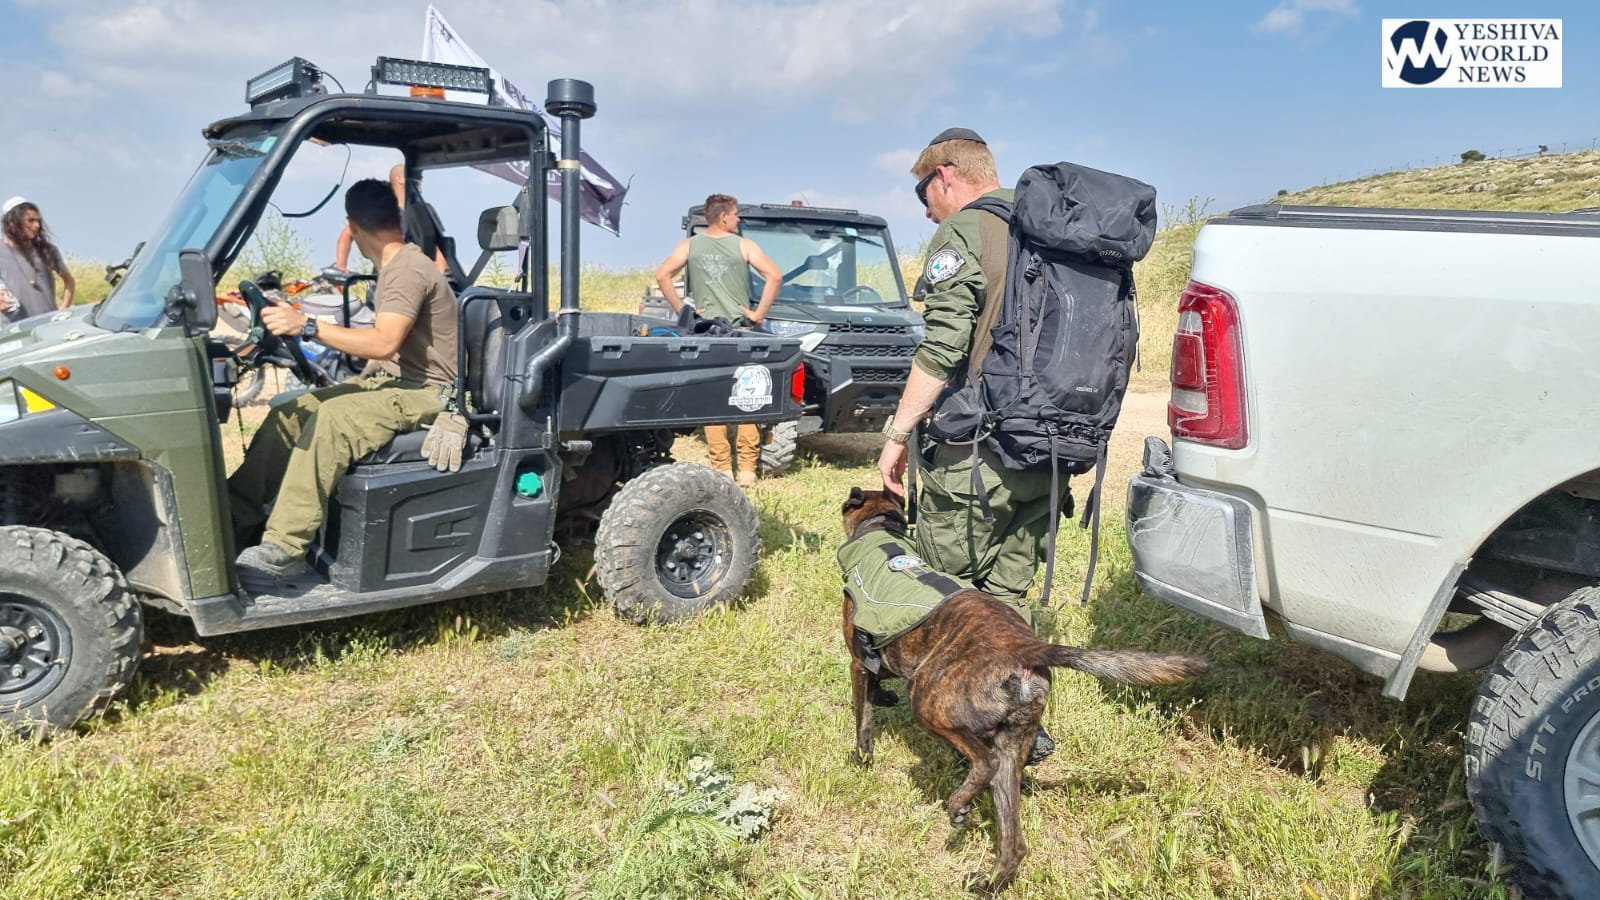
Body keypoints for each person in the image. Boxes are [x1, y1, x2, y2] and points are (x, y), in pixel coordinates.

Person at [874, 128, 1066, 764]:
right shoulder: (1053, 231)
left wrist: (897, 434)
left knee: (948, 589)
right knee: (1007, 596)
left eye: (923, 192)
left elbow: (943, 346)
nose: (926, 209)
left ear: (946, 176)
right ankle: (1019, 720)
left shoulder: (963, 233)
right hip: (1052, 449)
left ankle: (965, 722)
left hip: (977, 454)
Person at [230, 178, 460, 586]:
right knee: (293, 410)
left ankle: (285, 545)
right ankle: (233, 519)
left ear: (352, 227)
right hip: (399, 383)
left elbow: (385, 343)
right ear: (396, 219)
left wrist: (306, 325)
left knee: (334, 418)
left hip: (429, 392)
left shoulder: (407, 270)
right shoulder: (395, 265)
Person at [654, 193, 783, 487]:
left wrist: (684, 311)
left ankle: (722, 468)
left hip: (707, 332)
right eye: (736, 214)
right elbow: (774, 276)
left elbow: (662, 275)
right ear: (724, 217)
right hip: (741, 331)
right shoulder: (744, 245)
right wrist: (759, 314)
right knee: (749, 396)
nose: (738, 219)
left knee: (714, 398)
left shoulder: (689, 245)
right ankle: (747, 469)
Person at [334, 164, 449, 275]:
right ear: (400, 179)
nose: (420, 181)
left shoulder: (423, 210)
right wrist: (341, 267)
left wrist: (441, 275)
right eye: (416, 177)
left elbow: (437, 246)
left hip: (416, 273)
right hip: (385, 274)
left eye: (419, 178)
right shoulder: (382, 209)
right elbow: (348, 233)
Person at [0, 198, 75, 322]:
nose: (37, 225)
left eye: (38, 221)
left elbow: (69, 281)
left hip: (47, 324)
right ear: (12, 221)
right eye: (30, 220)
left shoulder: (47, 250)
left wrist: (63, 309)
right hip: (12, 328)